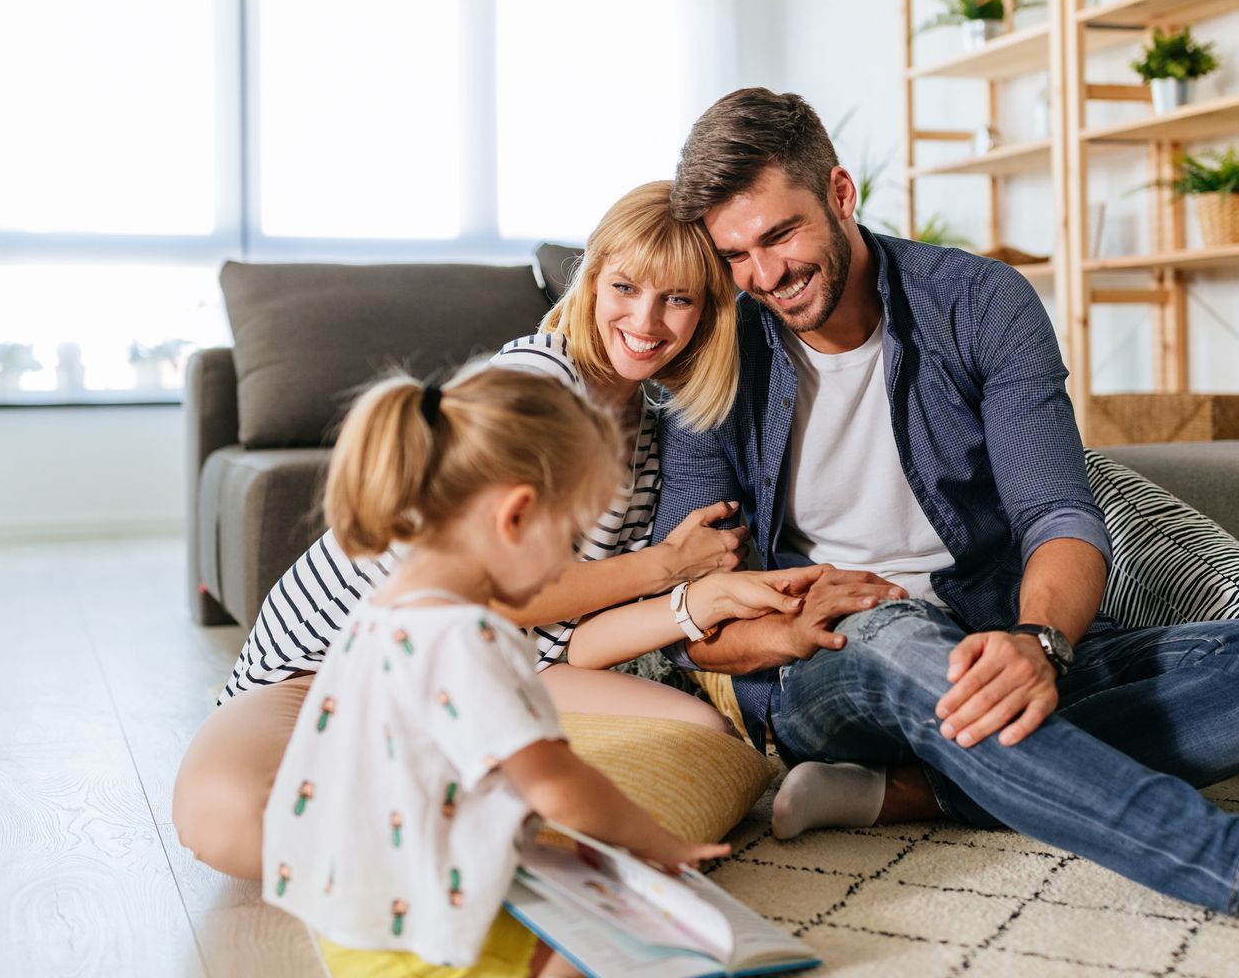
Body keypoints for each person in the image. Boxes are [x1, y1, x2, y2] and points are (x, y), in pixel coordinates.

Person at [651, 87, 1239, 977]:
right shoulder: (718, 346)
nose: (762, 275)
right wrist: (789, 630)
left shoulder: (977, 302)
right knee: (905, 637)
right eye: (735, 255)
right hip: (831, 664)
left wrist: (1039, 640)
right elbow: (689, 621)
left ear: (839, 194)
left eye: (780, 235)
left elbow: (1058, 514)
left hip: (988, 635)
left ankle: (920, 792)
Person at [174, 181, 785, 881]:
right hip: (325, 668)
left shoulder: (651, 433)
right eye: (626, 287)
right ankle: (457, 841)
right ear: (591, 282)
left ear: (708, 314)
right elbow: (507, 593)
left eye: (678, 299)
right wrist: (668, 567)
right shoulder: (536, 381)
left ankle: (489, 840)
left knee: (701, 740)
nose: (646, 319)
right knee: (233, 819)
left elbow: (565, 635)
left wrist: (693, 605)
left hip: (491, 662)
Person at [265, 365, 805, 976]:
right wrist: (656, 842)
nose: (573, 565)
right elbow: (558, 783)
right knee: (614, 955)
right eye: (573, 537)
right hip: (431, 931)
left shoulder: (381, 613)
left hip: (349, 919)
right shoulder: (471, 637)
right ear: (517, 516)